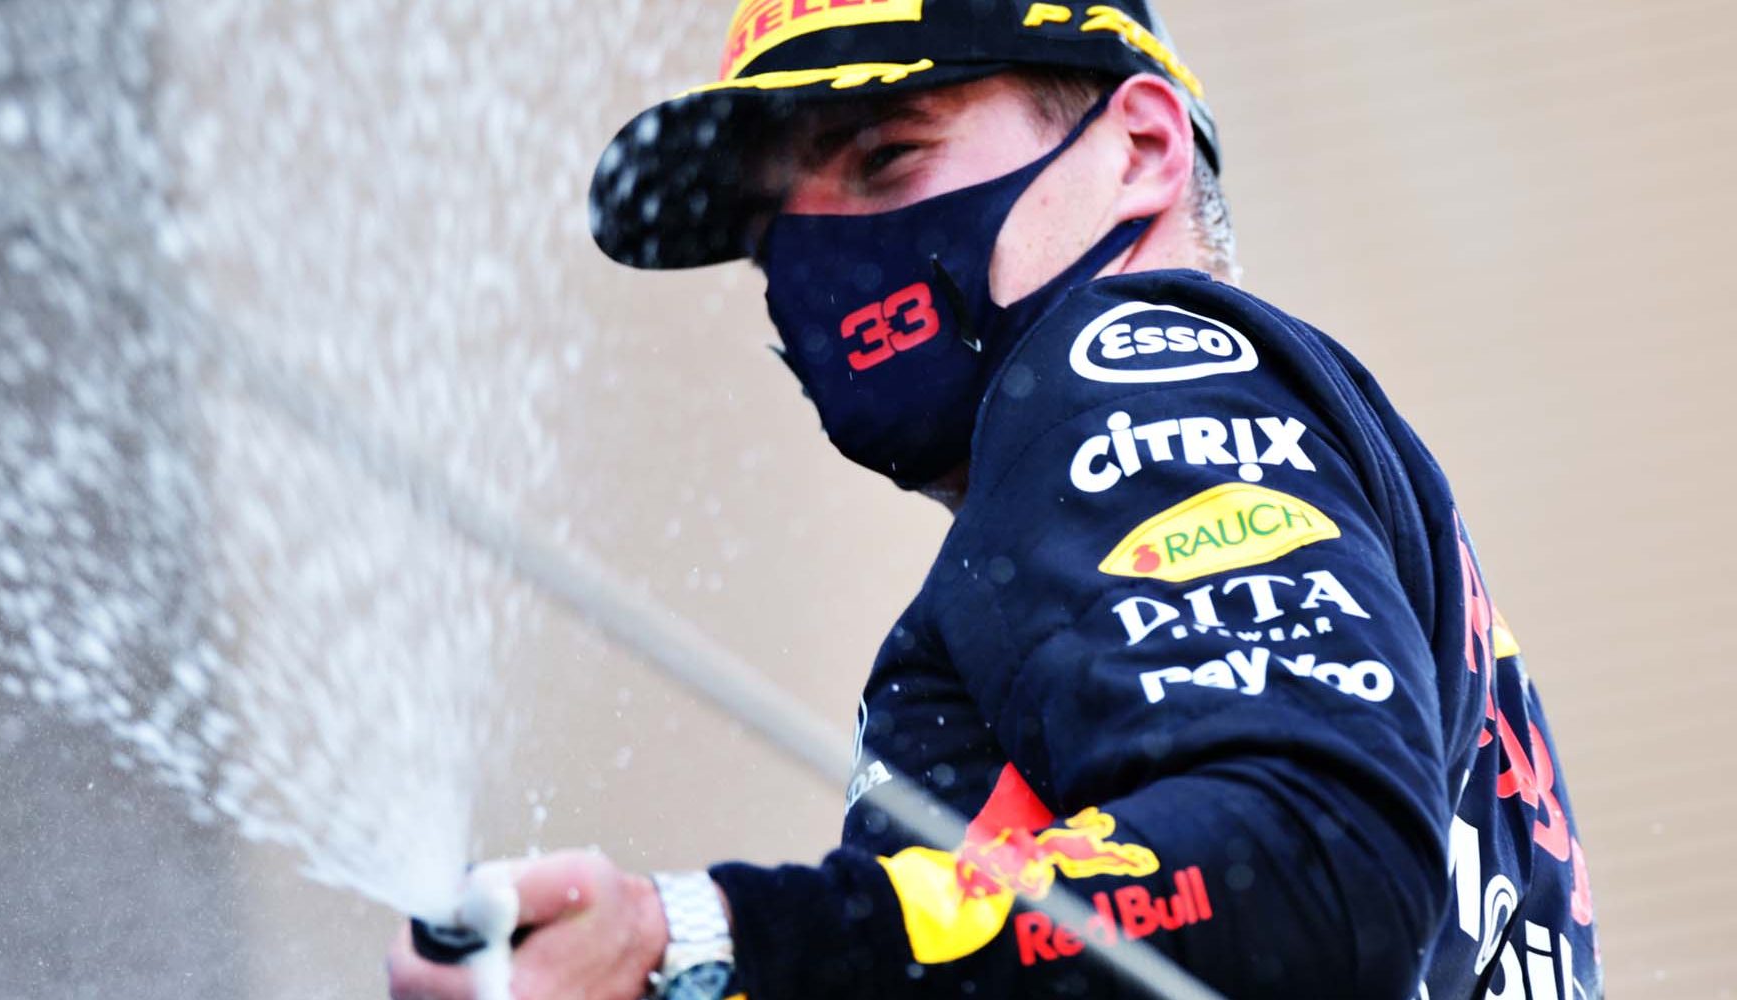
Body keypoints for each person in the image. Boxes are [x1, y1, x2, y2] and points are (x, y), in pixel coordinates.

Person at [388, 3, 1602, 998]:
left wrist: (710, 938)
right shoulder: (1256, 450)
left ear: (1139, 147)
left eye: (884, 157)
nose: (811, 265)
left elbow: (1314, 866)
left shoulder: (1139, 370)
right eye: (772, 234)